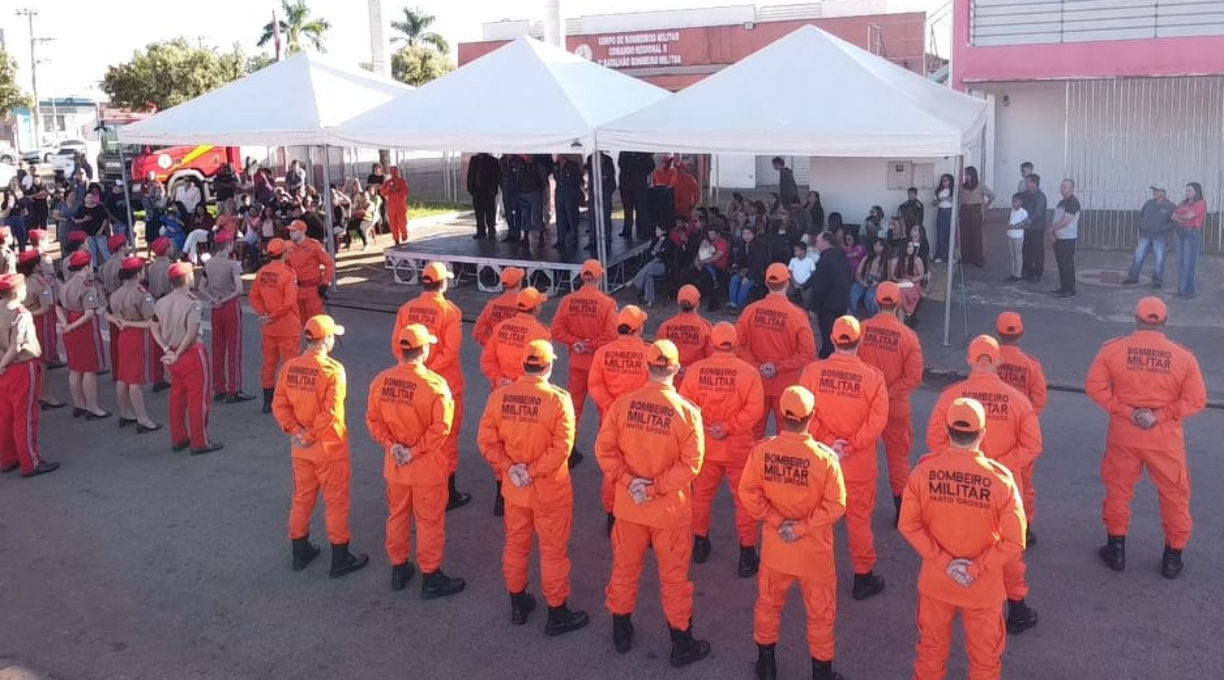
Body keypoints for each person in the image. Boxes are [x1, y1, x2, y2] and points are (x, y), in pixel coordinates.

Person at [596, 339, 711, 667]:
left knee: (624, 568)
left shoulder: (623, 405)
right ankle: (681, 642)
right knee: (674, 577)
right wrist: (655, 487)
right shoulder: (687, 413)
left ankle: (620, 630)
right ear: (676, 369)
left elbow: (605, 451)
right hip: (668, 511)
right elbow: (692, 464)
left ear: (647, 367)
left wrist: (631, 483)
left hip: (629, 506)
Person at [899, 398, 1026, 680]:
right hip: (982, 588)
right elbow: (1015, 542)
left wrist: (944, 561)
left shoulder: (923, 472)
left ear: (946, 430)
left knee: (931, 652)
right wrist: (975, 567)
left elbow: (908, 525)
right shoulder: (1000, 480)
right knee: (985, 660)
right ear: (983, 434)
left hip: (937, 581)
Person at [1086, 297, 1206, 579]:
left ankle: (1116, 550)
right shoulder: (1183, 357)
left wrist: (1128, 412)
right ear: (1165, 322)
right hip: (1164, 439)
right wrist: (1160, 416)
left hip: (1124, 434)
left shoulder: (1113, 350)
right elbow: (1196, 400)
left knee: (1119, 491)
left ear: (1135, 318)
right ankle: (1172, 558)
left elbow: (1095, 388)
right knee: (1174, 496)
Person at [927, 335, 1041, 633]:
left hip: (958, 485)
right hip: (1004, 486)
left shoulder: (951, 396)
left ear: (969, 359)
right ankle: (1016, 607)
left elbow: (935, 441)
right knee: (1009, 549)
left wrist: (964, 462)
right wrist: (1000, 465)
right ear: (999, 361)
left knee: (958, 539)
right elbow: (1032, 445)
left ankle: (951, 602)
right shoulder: (1018, 399)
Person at [477, 339, 590, 635]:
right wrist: (532, 470)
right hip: (549, 489)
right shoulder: (558, 399)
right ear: (549, 366)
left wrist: (510, 468)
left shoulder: (500, 396)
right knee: (553, 552)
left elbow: (487, 441)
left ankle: (517, 603)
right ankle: (557, 612)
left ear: (523, 365)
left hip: (516, 487)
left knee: (516, 544)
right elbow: (562, 447)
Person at [740, 385, 847, 680]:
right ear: (812, 416)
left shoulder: (763, 451)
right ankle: (821, 673)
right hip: (814, 554)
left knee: (768, 605)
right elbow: (836, 505)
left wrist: (776, 521)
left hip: (777, 549)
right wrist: (801, 527)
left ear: (783, 416)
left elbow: (748, 493)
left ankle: (766, 666)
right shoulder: (825, 459)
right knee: (821, 614)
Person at [367, 323, 471, 596]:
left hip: (396, 466)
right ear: (424, 350)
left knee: (398, 516)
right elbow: (441, 430)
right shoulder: (435, 386)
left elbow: (374, 420)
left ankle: (399, 568)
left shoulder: (382, 381)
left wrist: (393, 447)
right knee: (428, 522)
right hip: (425, 468)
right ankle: (431, 575)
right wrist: (413, 451)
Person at [798, 316, 889, 602]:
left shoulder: (813, 372)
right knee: (859, 522)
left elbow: (804, 414)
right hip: (858, 465)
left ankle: (813, 571)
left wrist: (828, 442)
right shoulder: (873, 377)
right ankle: (863, 577)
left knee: (818, 519)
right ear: (859, 341)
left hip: (821, 462)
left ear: (834, 340)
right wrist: (851, 445)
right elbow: (878, 422)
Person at [273, 314, 367, 578]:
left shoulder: (289, 367)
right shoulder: (332, 370)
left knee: (302, 498)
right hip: (329, 448)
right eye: (332, 336)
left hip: (301, 448)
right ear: (325, 339)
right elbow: (331, 412)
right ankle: (340, 557)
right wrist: (311, 434)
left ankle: (299, 549)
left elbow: (279, 405)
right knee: (336, 503)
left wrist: (297, 432)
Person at [678, 322, 765, 577]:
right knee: (744, 501)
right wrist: (728, 426)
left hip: (706, 447)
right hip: (737, 447)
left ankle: (700, 544)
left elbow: (685, 406)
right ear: (736, 343)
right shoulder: (749, 373)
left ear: (712, 343)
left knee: (701, 498)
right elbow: (754, 411)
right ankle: (747, 554)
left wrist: (707, 426)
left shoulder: (695, 371)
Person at [392, 262, 471, 511]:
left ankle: (418, 488)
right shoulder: (450, 311)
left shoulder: (406, 309)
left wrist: (416, 369)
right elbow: (451, 350)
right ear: (444, 283)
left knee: (415, 434)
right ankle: (447, 493)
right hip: (443, 385)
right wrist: (430, 372)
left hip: (412, 381)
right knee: (445, 438)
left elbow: (397, 345)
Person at [856, 282, 923, 526]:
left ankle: (860, 506)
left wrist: (874, 392)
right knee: (898, 457)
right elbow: (914, 377)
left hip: (865, 404)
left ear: (876, 302)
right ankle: (901, 508)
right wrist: (888, 392)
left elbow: (852, 366)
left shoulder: (861, 329)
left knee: (863, 454)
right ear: (897, 305)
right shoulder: (909, 336)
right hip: (895, 406)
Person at [736, 263, 816, 440]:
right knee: (787, 435)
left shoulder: (750, 311)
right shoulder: (797, 315)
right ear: (787, 284)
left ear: (766, 283)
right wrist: (779, 367)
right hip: (786, 385)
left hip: (757, 382)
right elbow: (807, 352)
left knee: (752, 434)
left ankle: (753, 466)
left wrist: (757, 366)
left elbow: (738, 344)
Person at [589, 305, 652, 528]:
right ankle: (640, 511)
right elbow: (652, 387)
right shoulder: (648, 353)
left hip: (610, 418)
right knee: (643, 466)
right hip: (640, 421)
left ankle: (611, 515)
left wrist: (611, 405)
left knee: (613, 467)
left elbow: (594, 384)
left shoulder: (603, 352)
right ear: (638, 328)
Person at [152, 262, 223, 455]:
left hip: (172, 352)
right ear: (187, 278)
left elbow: (154, 327)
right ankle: (200, 440)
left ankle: (179, 438)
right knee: (198, 398)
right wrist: (178, 352)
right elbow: (191, 332)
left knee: (177, 397)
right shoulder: (193, 302)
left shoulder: (162, 302)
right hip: (190, 353)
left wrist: (167, 349)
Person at [551, 260, 618, 458]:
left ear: (582, 276)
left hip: (576, 363)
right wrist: (589, 344)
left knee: (573, 409)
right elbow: (611, 335)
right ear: (599, 277)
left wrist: (576, 343)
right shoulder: (607, 303)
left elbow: (556, 330)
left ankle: (568, 450)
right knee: (604, 409)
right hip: (600, 366)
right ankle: (606, 452)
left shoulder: (568, 301)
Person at [995, 312, 1048, 543]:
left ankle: (994, 525)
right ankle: (1023, 528)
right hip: (1021, 433)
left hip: (992, 431)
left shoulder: (987, 361)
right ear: (1021, 333)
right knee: (1024, 484)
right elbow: (1039, 402)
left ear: (997, 334)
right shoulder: (1031, 365)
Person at [0, 273, 60, 478]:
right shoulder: (21, 313)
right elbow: (16, 345)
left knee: (5, 416)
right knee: (25, 417)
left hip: (4, 371)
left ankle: (8, 458)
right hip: (20, 367)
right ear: (17, 291)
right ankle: (30, 461)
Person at [107, 257, 161, 433]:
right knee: (135, 380)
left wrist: (118, 321)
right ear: (138, 274)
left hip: (123, 335)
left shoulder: (116, 293)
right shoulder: (141, 294)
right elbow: (151, 322)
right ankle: (142, 418)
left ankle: (125, 412)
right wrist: (129, 323)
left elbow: (106, 313)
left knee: (123, 377)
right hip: (137, 336)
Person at [201, 232, 254, 404]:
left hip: (215, 306)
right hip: (229, 306)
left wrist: (212, 299)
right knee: (234, 349)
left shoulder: (208, 264)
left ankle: (219, 387)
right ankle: (234, 388)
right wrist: (224, 299)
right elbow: (238, 289)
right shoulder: (233, 264)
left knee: (217, 348)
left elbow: (201, 286)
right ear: (229, 245)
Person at [249, 238, 301, 414]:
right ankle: (289, 403)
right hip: (287, 328)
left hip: (269, 328)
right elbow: (289, 302)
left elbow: (254, 297)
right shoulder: (288, 274)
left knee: (269, 364)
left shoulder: (262, 272)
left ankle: (267, 402)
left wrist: (264, 314)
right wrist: (270, 315)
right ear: (284, 253)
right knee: (289, 367)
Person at [58, 250, 110, 420]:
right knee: (89, 369)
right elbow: (88, 314)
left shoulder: (65, 285)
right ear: (87, 266)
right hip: (83, 328)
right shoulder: (87, 287)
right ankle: (92, 406)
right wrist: (72, 326)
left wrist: (66, 324)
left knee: (74, 368)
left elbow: (58, 307)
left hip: (69, 323)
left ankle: (78, 403)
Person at [17, 251, 65, 408]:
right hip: (38, 321)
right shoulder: (40, 283)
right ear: (36, 266)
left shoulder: (20, 282)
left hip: (21, 320)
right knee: (42, 360)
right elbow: (46, 307)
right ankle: (44, 395)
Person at [1121, 182, 1178, 290]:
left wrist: (1163, 228)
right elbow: (1141, 215)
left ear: (1163, 192)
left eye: (1157, 191)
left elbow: (1174, 222)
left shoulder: (1170, 206)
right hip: (1145, 235)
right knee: (1138, 256)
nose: (1154, 193)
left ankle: (1157, 281)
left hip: (1160, 238)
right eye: (1153, 191)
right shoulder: (1148, 203)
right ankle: (1133, 278)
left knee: (1159, 260)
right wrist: (1142, 225)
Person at [807, 231, 852, 359]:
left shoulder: (825, 259)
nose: (816, 244)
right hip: (842, 301)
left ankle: (827, 358)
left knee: (827, 334)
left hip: (828, 304)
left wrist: (813, 306)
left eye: (818, 242)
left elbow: (820, 284)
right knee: (837, 332)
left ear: (826, 242)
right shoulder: (842, 256)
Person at [285, 219, 335, 324]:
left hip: (312, 290)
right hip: (297, 290)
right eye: (290, 231)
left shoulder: (314, 246)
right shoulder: (289, 247)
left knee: (316, 322)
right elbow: (286, 268)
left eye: (294, 231)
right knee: (300, 322)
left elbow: (329, 264)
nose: (291, 233)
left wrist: (325, 283)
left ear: (302, 231)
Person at [656, 285, 712, 378]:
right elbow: (710, 358)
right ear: (698, 303)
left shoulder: (665, 327)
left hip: (671, 380)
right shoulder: (705, 327)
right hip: (695, 379)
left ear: (679, 303)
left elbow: (658, 356)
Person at [145, 237, 175, 391]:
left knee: (157, 341)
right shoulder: (171, 266)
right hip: (168, 304)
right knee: (172, 340)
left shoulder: (150, 267)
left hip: (155, 303)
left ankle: (157, 377)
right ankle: (173, 375)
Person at [473, 267, 526, 347]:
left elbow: (478, 333)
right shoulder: (525, 306)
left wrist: (494, 346)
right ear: (519, 283)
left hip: (496, 355)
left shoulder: (492, 305)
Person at [628, 225, 679, 307]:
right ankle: (650, 300)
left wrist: (656, 254)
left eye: (658, 230)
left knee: (650, 266)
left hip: (663, 266)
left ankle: (634, 280)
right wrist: (654, 254)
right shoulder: (655, 240)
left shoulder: (669, 242)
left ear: (664, 231)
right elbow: (649, 253)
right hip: (652, 264)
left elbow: (666, 255)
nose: (656, 231)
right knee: (649, 275)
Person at [1172, 182, 1206, 300]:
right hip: (1181, 232)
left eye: (1190, 190)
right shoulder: (1183, 203)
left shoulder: (1200, 203)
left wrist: (1180, 218)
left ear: (1196, 192)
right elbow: (1173, 216)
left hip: (1191, 233)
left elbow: (1189, 216)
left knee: (1189, 263)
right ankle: (1181, 290)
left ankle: (1189, 292)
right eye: (1186, 190)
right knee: (1180, 263)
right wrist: (1183, 219)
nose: (1187, 193)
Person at [1048, 179, 1081, 298]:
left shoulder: (1073, 203)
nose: (1062, 189)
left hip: (1067, 238)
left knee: (1067, 264)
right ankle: (1063, 288)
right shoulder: (1062, 202)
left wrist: (1052, 229)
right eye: (1062, 186)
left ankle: (1070, 290)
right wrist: (1053, 234)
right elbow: (1057, 218)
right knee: (1061, 264)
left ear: (1072, 189)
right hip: (1059, 237)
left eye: (1065, 187)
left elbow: (1066, 220)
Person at [959, 167, 994, 268]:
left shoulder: (980, 186)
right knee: (964, 234)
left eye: (969, 174)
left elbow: (991, 196)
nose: (967, 177)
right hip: (964, 209)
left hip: (975, 210)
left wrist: (985, 207)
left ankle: (978, 258)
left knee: (976, 234)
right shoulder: (963, 186)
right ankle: (965, 257)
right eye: (966, 175)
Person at [893, 226, 928, 327]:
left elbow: (921, 275)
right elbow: (893, 275)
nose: (911, 249)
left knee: (906, 292)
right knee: (899, 292)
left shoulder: (917, 260)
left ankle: (907, 313)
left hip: (913, 282)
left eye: (912, 247)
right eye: (909, 247)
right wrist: (899, 280)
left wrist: (912, 280)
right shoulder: (898, 260)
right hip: (901, 281)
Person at [618, 152, 655, 239]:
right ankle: (627, 230)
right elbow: (621, 164)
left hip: (639, 185)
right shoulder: (624, 153)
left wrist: (641, 172)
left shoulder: (643, 154)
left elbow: (651, 166)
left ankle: (643, 230)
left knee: (641, 209)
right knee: (627, 209)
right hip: (626, 185)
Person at [849, 238, 888, 318]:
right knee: (853, 292)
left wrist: (877, 283)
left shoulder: (887, 260)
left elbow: (888, 277)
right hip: (864, 280)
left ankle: (873, 318)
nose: (876, 247)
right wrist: (862, 281)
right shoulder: (867, 257)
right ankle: (854, 316)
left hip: (877, 283)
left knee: (870, 296)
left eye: (879, 245)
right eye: (875, 244)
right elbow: (858, 272)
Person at [1020, 174, 1048, 283]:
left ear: (1034, 183)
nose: (1026, 184)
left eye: (1028, 182)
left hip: (1036, 228)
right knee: (1026, 250)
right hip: (1026, 228)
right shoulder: (1025, 195)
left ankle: (1037, 273)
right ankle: (1027, 271)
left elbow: (1038, 213)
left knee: (1037, 251)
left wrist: (1028, 221)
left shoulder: (1040, 197)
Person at [554, 155, 584, 250]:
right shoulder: (555, 165)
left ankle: (574, 239)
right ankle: (560, 240)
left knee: (572, 217)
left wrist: (576, 193)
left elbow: (578, 180)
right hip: (559, 194)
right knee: (560, 218)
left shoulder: (572, 165)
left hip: (570, 194)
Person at [380, 167, 410, 245]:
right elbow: (382, 192)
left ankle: (404, 235)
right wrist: (389, 188)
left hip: (400, 206)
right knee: (393, 225)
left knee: (402, 223)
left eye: (395, 171)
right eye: (392, 172)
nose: (393, 173)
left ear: (397, 172)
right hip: (392, 207)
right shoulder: (387, 182)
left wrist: (397, 190)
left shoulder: (402, 181)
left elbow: (406, 191)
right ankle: (396, 239)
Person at [1003, 192, 1027, 283]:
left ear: (1020, 202)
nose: (1013, 203)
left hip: (1018, 236)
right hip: (1010, 234)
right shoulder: (1012, 210)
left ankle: (1018, 274)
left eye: (1015, 201)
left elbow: (1026, 224)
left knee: (1018, 255)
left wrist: (1013, 227)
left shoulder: (1023, 212)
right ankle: (1013, 273)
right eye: (1012, 201)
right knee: (1012, 255)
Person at [931, 174, 955, 264]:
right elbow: (933, 203)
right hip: (941, 211)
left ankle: (950, 256)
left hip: (949, 212)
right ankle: (940, 255)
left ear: (950, 181)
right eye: (943, 180)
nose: (944, 182)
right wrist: (940, 200)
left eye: (946, 180)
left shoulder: (953, 191)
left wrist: (949, 199)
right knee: (940, 234)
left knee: (949, 234)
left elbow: (957, 202)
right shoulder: (938, 191)